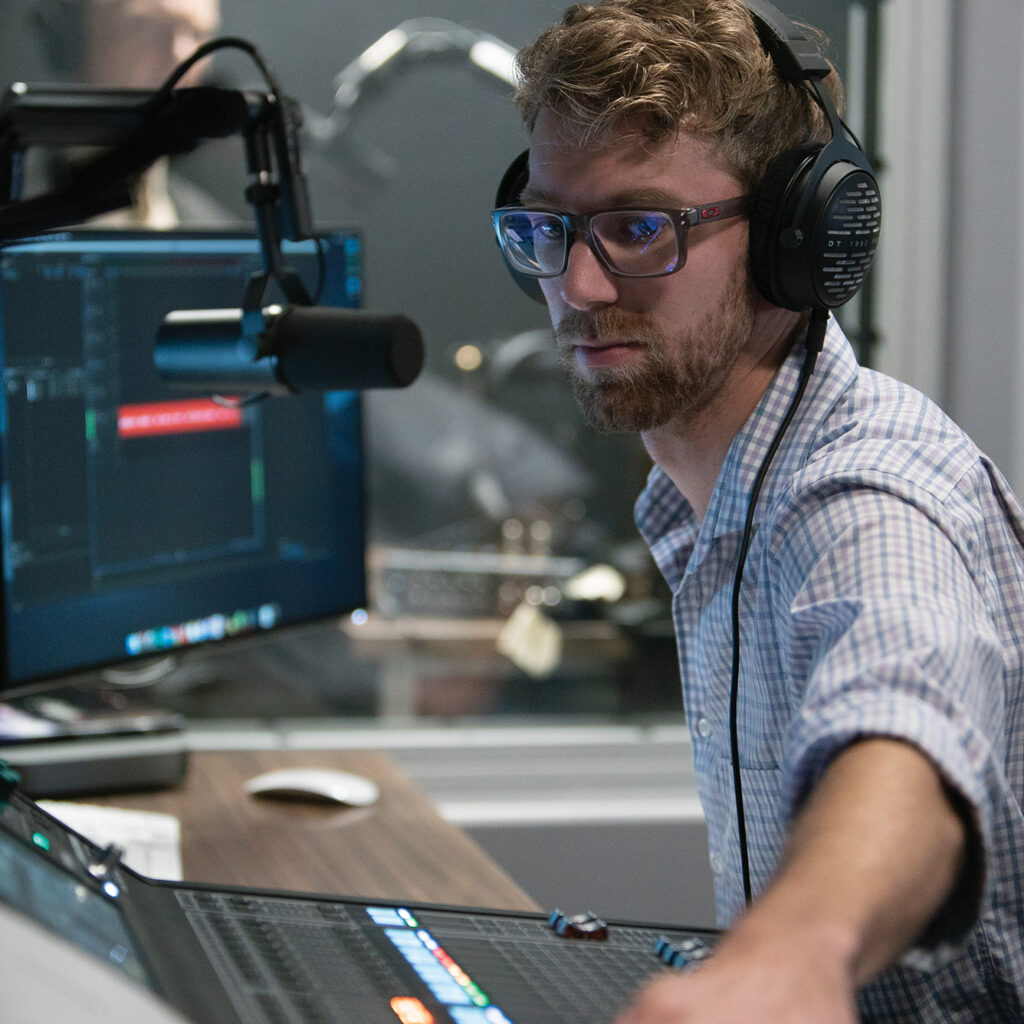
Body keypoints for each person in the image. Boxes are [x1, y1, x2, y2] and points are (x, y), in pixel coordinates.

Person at [491, 1, 1024, 1021]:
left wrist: (797, 952)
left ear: (800, 240)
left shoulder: (861, 491)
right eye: (546, 229)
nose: (577, 280)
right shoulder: (717, 497)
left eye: (639, 227)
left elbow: (901, 714)